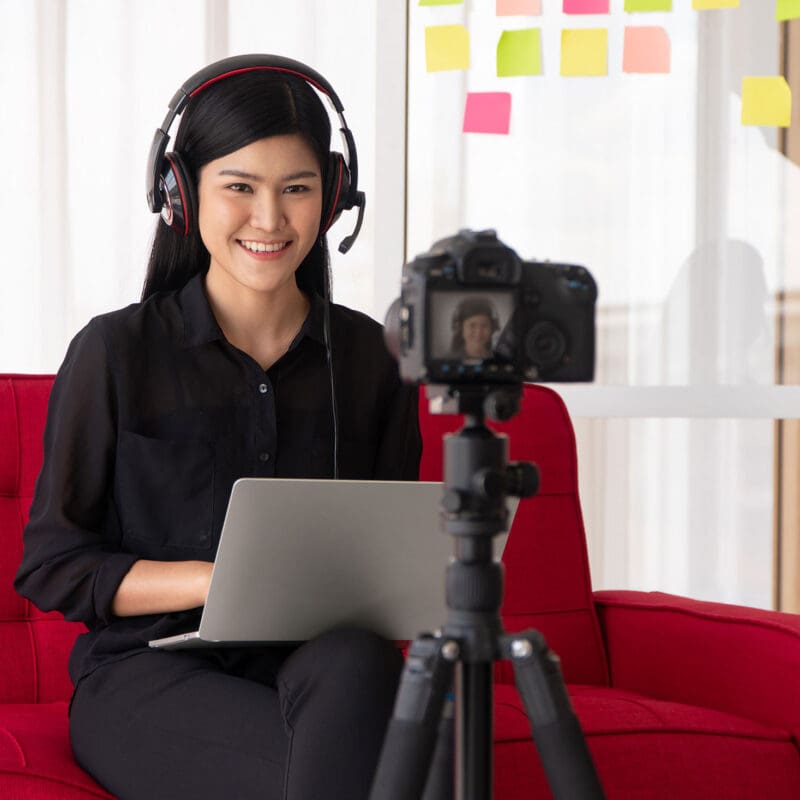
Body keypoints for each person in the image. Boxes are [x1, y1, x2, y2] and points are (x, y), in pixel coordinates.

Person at [14, 55, 421, 800]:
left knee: (363, 664)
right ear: (180, 192)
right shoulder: (116, 352)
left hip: (316, 668)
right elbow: (53, 565)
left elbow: (389, 560)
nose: (270, 219)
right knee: (345, 770)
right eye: (240, 187)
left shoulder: (372, 359)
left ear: (331, 199)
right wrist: (224, 583)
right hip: (147, 673)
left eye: (296, 189)